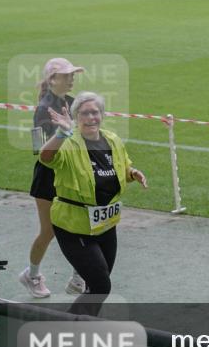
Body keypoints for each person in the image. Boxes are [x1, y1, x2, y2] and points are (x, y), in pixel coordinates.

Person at [39, 91, 147, 316]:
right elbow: (46, 157)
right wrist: (61, 133)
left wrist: (132, 173)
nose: (91, 118)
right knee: (101, 286)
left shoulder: (112, 140)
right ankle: (67, 327)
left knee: (97, 285)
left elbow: (121, 165)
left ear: (102, 115)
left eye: (95, 112)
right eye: (85, 113)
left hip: (105, 225)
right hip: (74, 226)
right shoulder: (69, 143)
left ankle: (84, 324)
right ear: (76, 117)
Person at [19, 57, 87, 298]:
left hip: (69, 172)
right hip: (48, 177)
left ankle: (79, 275)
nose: (72, 78)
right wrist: (64, 134)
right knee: (49, 231)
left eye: (72, 74)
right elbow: (39, 149)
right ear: (53, 79)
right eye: (67, 75)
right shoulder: (43, 108)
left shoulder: (72, 102)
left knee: (78, 224)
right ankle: (32, 275)